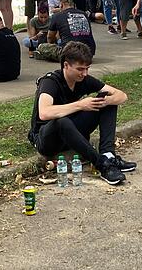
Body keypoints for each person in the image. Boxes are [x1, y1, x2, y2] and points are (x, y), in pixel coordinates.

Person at [29, 41, 136, 186]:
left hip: (70, 131)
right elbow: (44, 113)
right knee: (62, 121)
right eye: (80, 69)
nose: (84, 73)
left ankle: (108, 155)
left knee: (106, 100)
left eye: (87, 69)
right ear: (66, 65)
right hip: (47, 138)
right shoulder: (50, 82)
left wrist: (105, 101)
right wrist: (80, 105)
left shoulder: (83, 79)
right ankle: (101, 164)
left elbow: (122, 96)